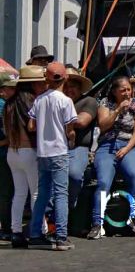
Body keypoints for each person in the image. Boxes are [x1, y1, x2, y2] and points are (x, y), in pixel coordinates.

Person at [27, 62, 77, 251]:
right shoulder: (66, 101)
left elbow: (31, 126)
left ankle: (35, 235)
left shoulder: (39, 100)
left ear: (47, 79)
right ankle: (61, 237)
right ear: (65, 78)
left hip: (43, 153)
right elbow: (70, 130)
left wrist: (43, 128)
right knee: (61, 194)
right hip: (59, 151)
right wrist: (70, 137)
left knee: (43, 195)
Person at [88, 76, 135, 239]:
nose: (127, 93)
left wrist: (127, 148)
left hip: (129, 145)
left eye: (129, 89)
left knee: (134, 175)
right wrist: (119, 109)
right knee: (104, 182)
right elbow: (103, 125)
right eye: (123, 90)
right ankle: (97, 223)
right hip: (107, 145)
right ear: (115, 91)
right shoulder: (106, 103)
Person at [4, 66, 46, 248]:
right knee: (36, 192)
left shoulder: (9, 103)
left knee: (19, 193)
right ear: (33, 83)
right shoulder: (32, 101)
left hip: (12, 152)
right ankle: (39, 231)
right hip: (29, 150)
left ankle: (16, 232)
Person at [61, 65, 97, 210]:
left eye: (74, 86)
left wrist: (58, 118)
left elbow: (82, 121)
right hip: (56, 147)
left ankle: (69, 208)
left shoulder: (89, 101)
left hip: (79, 148)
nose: (70, 90)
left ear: (80, 87)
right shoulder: (56, 100)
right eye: (66, 86)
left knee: (74, 174)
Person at [0, 74, 16, 245]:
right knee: (6, 193)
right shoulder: (3, 106)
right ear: (3, 90)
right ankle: (6, 229)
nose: (14, 91)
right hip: (4, 154)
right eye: (11, 88)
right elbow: (9, 133)